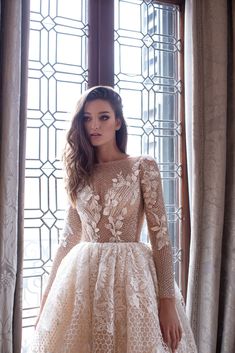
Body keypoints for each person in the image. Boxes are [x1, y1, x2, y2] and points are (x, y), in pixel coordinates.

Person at [29, 86, 197, 353]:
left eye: (103, 117)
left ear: (118, 122)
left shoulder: (143, 166)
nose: (94, 124)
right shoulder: (80, 172)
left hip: (133, 282)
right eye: (86, 118)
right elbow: (68, 239)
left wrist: (166, 301)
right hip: (84, 280)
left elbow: (161, 238)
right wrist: (47, 299)